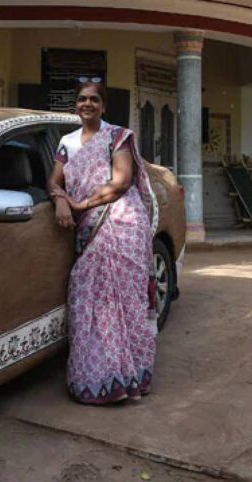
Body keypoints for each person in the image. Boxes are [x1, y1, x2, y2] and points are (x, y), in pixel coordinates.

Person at [47, 81, 158, 405]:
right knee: (87, 298)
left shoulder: (117, 136)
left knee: (124, 303)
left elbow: (121, 182)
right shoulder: (67, 142)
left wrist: (80, 205)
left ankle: (128, 377)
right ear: (75, 105)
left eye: (94, 99)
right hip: (87, 227)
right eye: (81, 99)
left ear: (104, 106)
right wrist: (60, 200)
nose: (87, 104)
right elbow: (54, 180)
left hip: (121, 223)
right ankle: (94, 379)